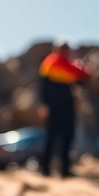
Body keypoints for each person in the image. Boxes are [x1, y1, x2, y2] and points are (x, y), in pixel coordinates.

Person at [37, 39, 90, 177]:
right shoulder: (50, 63)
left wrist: (85, 69)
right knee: (51, 138)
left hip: (68, 107)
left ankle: (65, 170)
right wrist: (44, 105)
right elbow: (42, 86)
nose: (65, 51)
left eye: (67, 49)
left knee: (68, 137)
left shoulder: (71, 65)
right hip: (53, 107)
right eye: (62, 49)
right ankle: (45, 169)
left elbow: (83, 81)